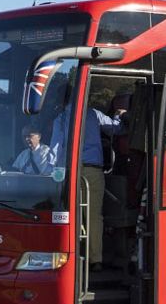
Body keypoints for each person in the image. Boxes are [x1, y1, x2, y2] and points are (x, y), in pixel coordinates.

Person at [50, 100, 126, 271]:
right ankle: (95, 260)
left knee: (70, 214)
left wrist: (52, 173)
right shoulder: (93, 114)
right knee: (94, 216)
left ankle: (72, 256)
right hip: (93, 170)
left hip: (70, 172)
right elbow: (116, 128)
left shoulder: (61, 119)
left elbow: (55, 149)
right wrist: (118, 116)